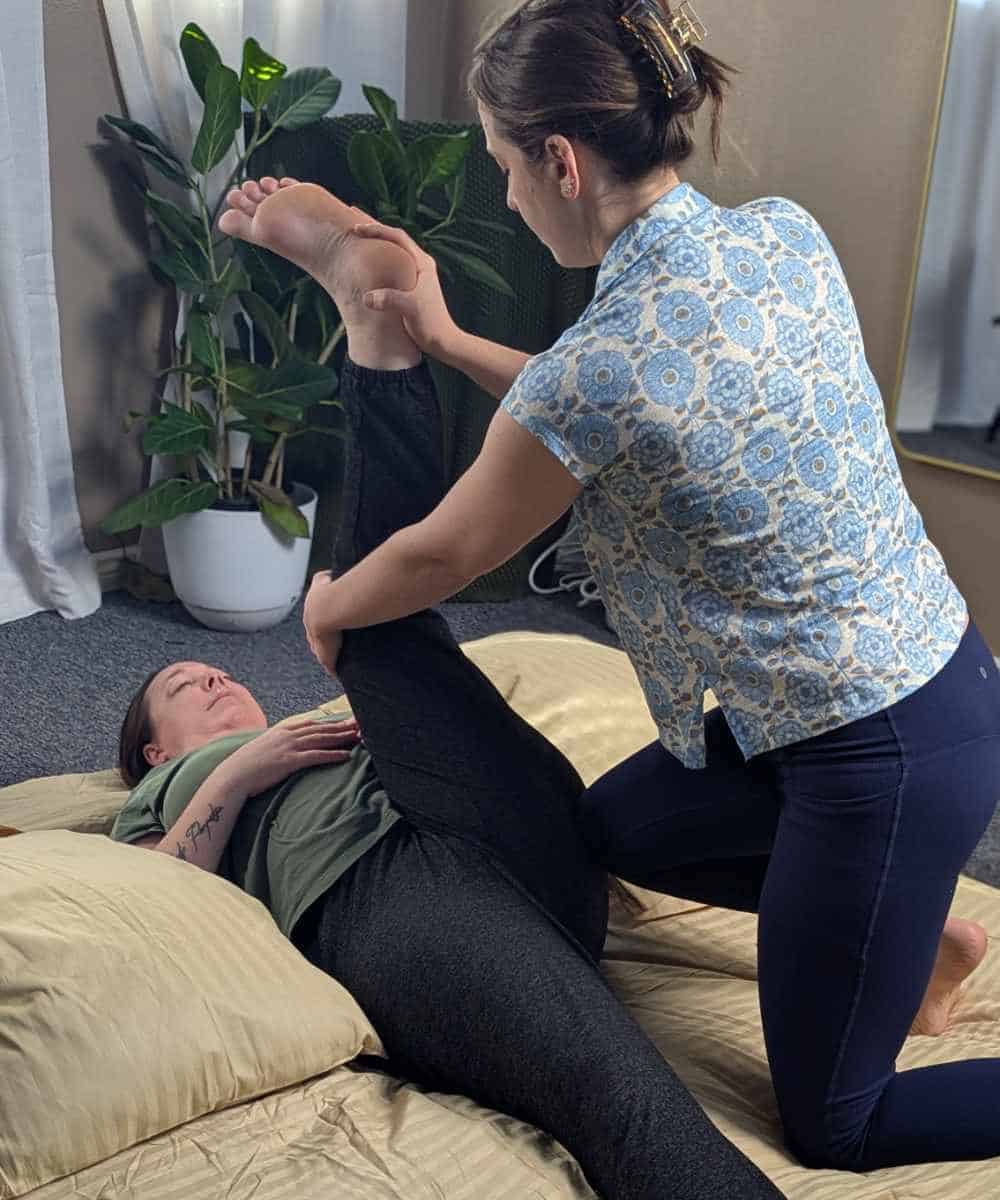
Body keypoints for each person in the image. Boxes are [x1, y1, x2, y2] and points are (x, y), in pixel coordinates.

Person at [217, 0, 1000, 1175]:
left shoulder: (604, 366)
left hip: (879, 757)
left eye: (503, 168)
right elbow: (626, 401)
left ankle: (879, 911)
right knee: (611, 828)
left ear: (563, 163)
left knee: (837, 1123)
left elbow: (445, 554)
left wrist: (326, 608)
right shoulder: (780, 233)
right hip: (918, 683)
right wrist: (442, 338)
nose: (508, 198)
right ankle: (911, 931)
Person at [111, 229, 787, 1200]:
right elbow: (154, 898)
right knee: (618, 1094)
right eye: (183, 688)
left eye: (213, 674)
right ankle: (379, 347)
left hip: (509, 841)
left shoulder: (334, 720)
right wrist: (240, 772)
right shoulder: (163, 796)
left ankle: (379, 344)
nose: (214, 680)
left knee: (383, 632)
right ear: (152, 749)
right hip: (383, 900)